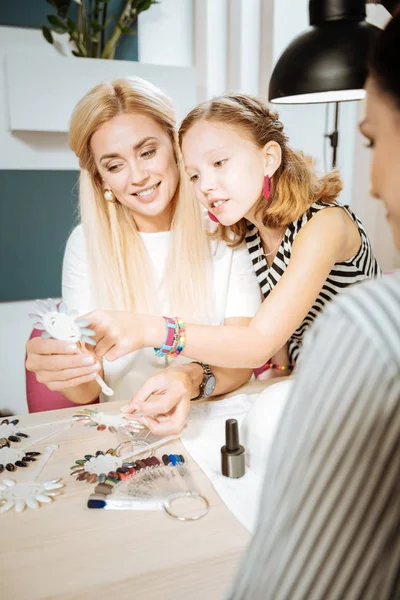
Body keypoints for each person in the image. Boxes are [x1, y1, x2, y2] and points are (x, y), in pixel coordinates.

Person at [228, 11, 400, 599]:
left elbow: (292, 586)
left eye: (372, 141)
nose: (371, 182)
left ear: (269, 160)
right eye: (196, 173)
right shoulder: (246, 238)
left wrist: (156, 331)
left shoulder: (369, 318)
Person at [82, 92, 380, 430]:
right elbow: (279, 323)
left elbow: (257, 344)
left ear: (269, 158)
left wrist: (149, 329)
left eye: (220, 163)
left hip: (372, 387)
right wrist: (281, 371)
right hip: (314, 383)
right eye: (194, 175)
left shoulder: (324, 225)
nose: (206, 186)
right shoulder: (247, 229)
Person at [25, 77, 261, 429]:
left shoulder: (225, 224)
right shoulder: (85, 245)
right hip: (130, 430)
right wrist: (66, 371)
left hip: (223, 423)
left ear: (175, 146)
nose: (137, 177)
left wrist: (187, 378)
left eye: (147, 152)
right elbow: (88, 386)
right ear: (101, 178)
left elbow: (243, 358)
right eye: (114, 165)